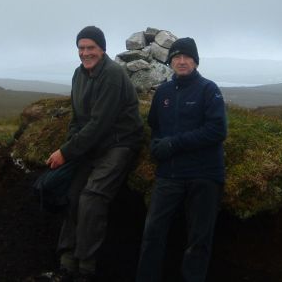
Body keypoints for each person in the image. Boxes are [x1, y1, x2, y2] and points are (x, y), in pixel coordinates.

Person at [45, 26, 143, 282]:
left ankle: (86, 269)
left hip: (119, 143)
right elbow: (77, 118)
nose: (85, 53)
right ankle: (67, 263)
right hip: (93, 146)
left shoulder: (112, 74)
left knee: (92, 197)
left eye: (91, 48)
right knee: (73, 195)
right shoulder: (79, 75)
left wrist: (66, 152)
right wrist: (71, 148)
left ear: (102, 49)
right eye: (81, 48)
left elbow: (100, 124)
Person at [136, 37, 227, 282]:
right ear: (170, 61)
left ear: (196, 61)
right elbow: (155, 126)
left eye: (187, 57)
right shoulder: (163, 92)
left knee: (199, 240)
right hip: (170, 174)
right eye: (176, 57)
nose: (182, 61)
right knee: (152, 233)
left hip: (204, 175)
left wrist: (175, 143)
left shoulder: (209, 89)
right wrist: (156, 144)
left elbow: (218, 130)